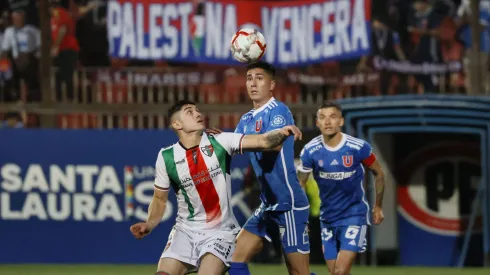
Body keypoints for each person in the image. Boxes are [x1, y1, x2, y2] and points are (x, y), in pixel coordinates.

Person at [129, 100, 303, 275]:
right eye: (190, 112)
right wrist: (149, 224)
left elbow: (263, 141)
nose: (198, 114)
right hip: (185, 232)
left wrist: (281, 132)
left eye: (197, 110)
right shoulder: (166, 156)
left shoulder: (221, 141)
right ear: (176, 124)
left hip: (221, 233)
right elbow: (159, 198)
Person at [228, 62, 311, 275]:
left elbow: (274, 145)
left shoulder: (279, 110)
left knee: (298, 273)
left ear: (271, 84)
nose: (253, 83)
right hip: (268, 202)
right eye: (249, 78)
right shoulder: (246, 119)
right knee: (235, 258)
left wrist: (244, 140)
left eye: (259, 78)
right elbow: (234, 146)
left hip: (288, 202)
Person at [296, 101, 386, 275]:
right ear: (317, 123)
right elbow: (300, 184)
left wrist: (378, 206)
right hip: (327, 218)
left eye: (332, 117)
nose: (327, 122)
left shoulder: (357, 147)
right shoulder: (310, 151)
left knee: (340, 271)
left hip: (354, 215)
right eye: (322, 118)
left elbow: (379, 173)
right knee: (335, 273)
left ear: (341, 122)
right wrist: (301, 217)